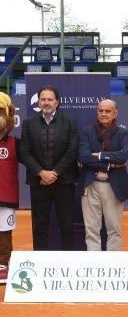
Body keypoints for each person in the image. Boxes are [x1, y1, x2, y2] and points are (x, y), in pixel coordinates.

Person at [20, 86, 79, 250]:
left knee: (67, 225)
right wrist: (41, 173)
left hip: (64, 182)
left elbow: (72, 150)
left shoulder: (69, 121)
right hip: (38, 182)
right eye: (43, 99)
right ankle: (40, 260)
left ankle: (68, 261)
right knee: (39, 226)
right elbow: (24, 152)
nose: (46, 102)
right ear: (38, 102)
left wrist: (55, 173)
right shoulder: (28, 123)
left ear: (57, 102)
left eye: (50, 99)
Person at [78, 99, 128, 251]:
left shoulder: (123, 132)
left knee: (114, 230)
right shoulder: (88, 131)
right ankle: (94, 264)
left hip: (113, 187)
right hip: (90, 185)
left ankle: (112, 264)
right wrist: (109, 165)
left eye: (107, 111)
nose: (103, 114)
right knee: (91, 230)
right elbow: (84, 157)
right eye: (100, 111)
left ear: (115, 113)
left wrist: (100, 155)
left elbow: (123, 156)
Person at [0, 94, 19, 283]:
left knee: (4, 232)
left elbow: (32, 160)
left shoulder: (14, 143)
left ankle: (3, 264)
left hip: (6, 196)